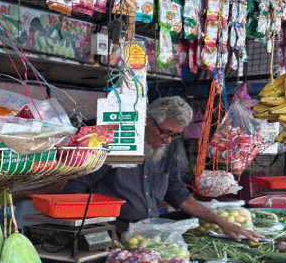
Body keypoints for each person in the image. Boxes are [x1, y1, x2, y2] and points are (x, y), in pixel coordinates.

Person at [19, 96, 261, 241]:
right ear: (146, 119)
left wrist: (220, 221)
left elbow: (180, 197)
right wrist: (100, 232)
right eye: (164, 131)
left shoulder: (166, 155)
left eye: (174, 135)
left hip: (147, 234)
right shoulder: (114, 146)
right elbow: (75, 190)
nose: (167, 139)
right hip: (111, 232)